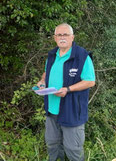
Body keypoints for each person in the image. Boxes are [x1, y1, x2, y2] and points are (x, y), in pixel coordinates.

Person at [36, 23, 96, 161]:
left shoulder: (82, 56)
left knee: (73, 149)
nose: (62, 38)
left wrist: (68, 89)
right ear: (54, 38)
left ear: (72, 37)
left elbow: (90, 81)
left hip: (72, 111)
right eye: (59, 35)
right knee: (52, 144)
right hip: (52, 110)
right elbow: (47, 72)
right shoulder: (52, 55)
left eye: (66, 35)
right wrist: (42, 82)